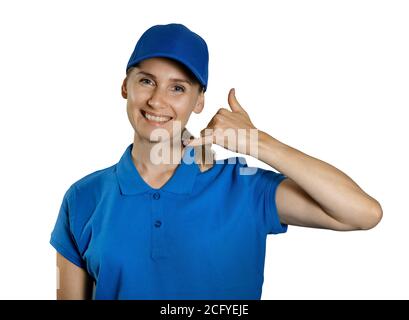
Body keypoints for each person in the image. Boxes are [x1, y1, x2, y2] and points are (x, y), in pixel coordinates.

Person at [50, 23, 383, 300]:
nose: (157, 100)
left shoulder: (243, 186)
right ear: (126, 86)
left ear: (199, 101)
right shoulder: (84, 196)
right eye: (147, 81)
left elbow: (363, 213)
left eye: (177, 88)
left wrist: (258, 142)